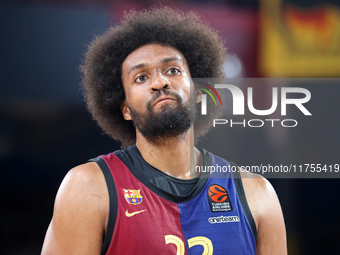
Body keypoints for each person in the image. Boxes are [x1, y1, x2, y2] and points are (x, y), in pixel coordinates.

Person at [41, 6, 287, 255]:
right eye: (141, 77)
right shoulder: (88, 187)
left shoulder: (257, 193)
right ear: (125, 109)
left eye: (173, 70)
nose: (160, 82)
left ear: (199, 93)